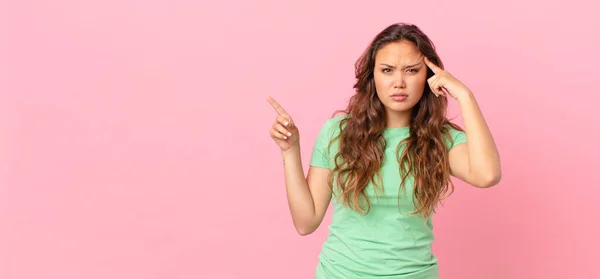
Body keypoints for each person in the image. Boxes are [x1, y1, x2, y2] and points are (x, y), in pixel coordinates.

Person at [266, 22, 501, 279]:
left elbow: (487, 175)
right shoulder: (338, 132)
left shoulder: (440, 138)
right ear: (373, 75)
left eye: (411, 71)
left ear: (429, 77)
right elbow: (306, 222)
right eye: (387, 70)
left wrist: (465, 95)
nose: (399, 82)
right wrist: (290, 151)